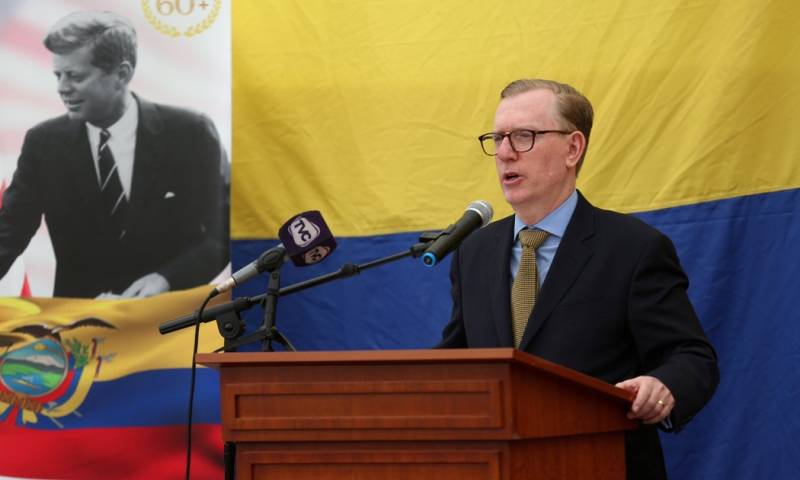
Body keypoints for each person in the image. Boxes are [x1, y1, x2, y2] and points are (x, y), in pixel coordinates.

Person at [437, 78, 719, 479]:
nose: (503, 153)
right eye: (497, 138)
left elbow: (692, 357)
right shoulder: (473, 251)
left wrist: (664, 385)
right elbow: (459, 358)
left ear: (573, 148)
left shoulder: (634, 248)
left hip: (601, 463)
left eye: (523, 136)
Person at [0, 11, 229, 298]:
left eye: (75, 76)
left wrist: (166, 279)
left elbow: (224, 235)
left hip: (173, 326)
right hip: (80, 332)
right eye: (58, 75)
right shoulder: (42, 144)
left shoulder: (191, 133)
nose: (62, 88)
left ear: (122, 74)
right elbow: (8, 236)